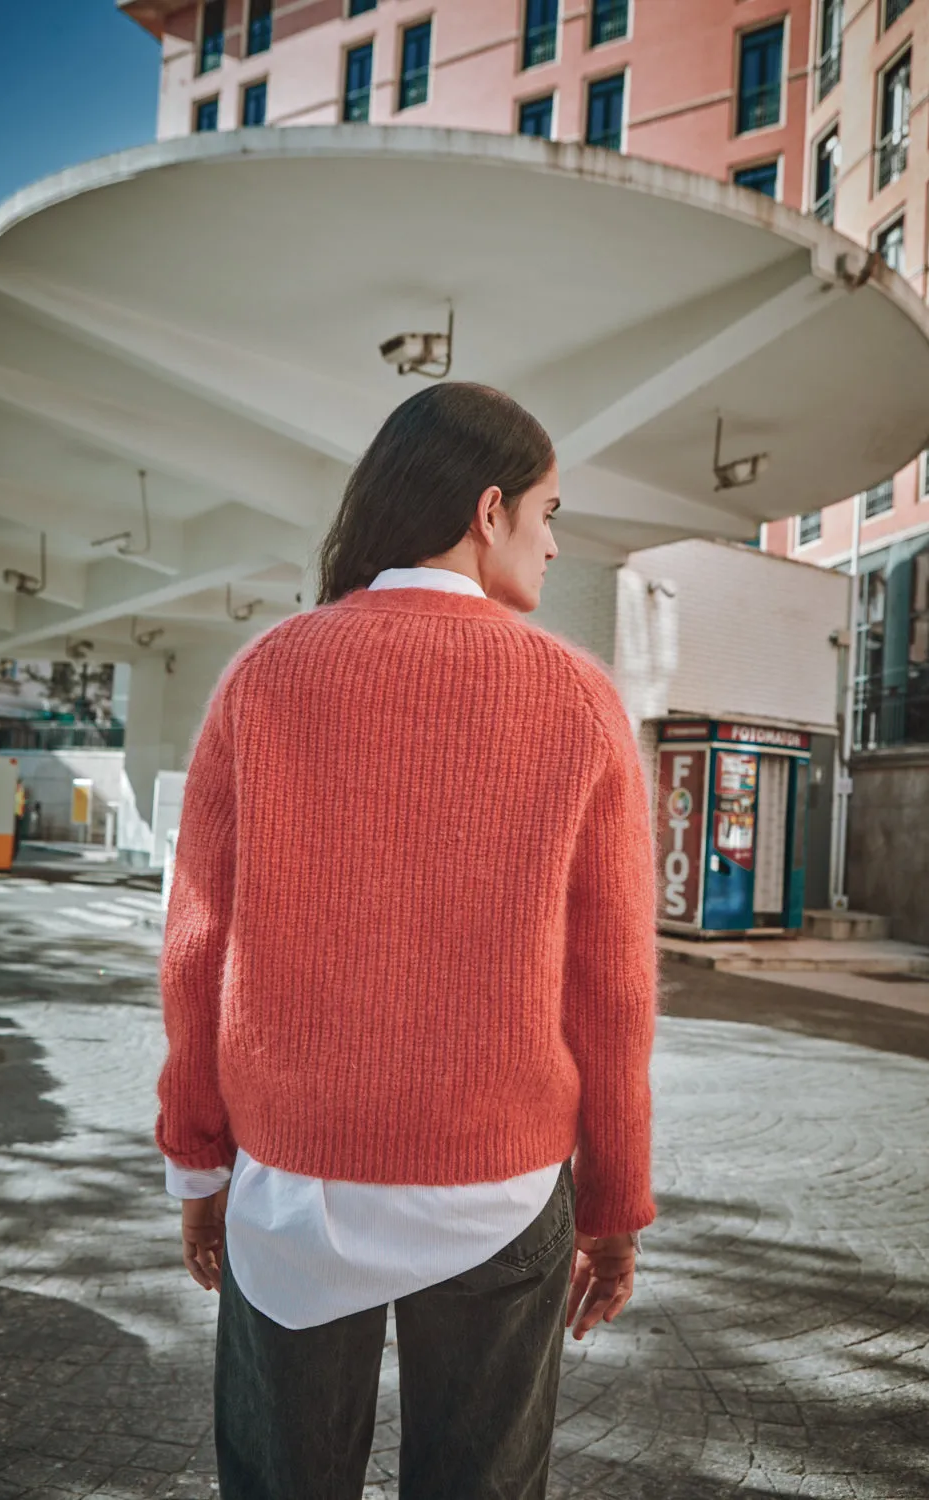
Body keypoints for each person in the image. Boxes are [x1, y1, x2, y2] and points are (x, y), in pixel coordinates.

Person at [157, 382, 657, 1500]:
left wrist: (197, 1163)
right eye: (548, 513)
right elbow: (611, 986)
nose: (553, 542)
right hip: (502, 1185)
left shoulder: (265, 676)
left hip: (294, 1184)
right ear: (490, 510)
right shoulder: (578, 700)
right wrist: (615, 1203)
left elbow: (198, 945)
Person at [13, 779, 27, 858]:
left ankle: (15, 851)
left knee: (16, 834)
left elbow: (22, 804)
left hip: (17, 816)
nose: (19, 785)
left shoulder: (21, 791)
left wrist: (22, 814)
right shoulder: (13, 791)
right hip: (12, 816)